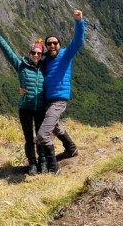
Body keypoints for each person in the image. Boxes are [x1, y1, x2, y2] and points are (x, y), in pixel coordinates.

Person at [0, 24, 46, 175]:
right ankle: (32, 164)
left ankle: (43, 162)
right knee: (29, 138)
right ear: (29, 53)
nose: (36, 55)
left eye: (39, 53)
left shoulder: (46, 67)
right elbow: (8, 52)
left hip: (40, 108)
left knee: (41, 137)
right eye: (33, 52)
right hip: (25, 108)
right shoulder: (21, 66)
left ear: (42, 55)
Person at [36, 9, 85, 175]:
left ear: (59, 44)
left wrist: (79, 21)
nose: (52, 46)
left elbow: (78, 40)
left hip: (58, 100)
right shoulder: (44, 59)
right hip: (47, 100)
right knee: (55, 126)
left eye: (55, 43)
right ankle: (71, 149)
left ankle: (54, 168)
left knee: (43, 134)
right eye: (49, 44)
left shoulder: (65, 55)